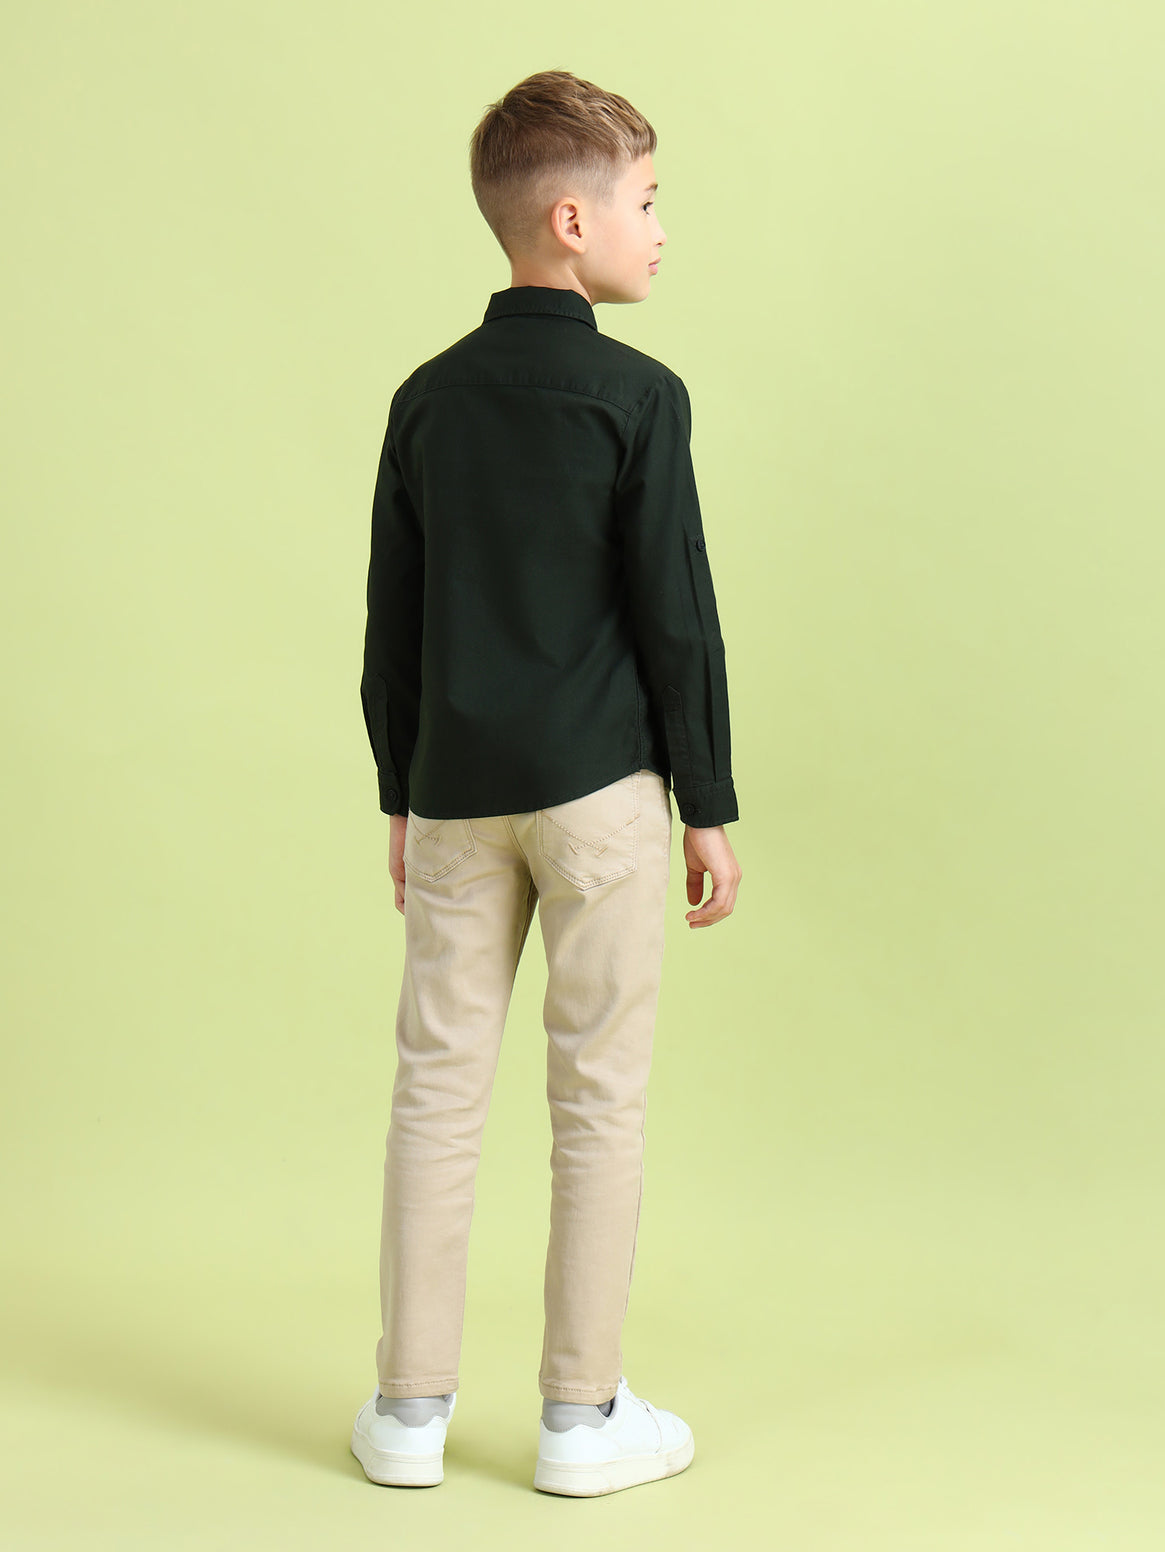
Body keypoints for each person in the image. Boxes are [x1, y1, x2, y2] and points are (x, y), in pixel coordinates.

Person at [349, 68, 742, 1498]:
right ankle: (580, 1420)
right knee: (600, 1100)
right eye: (648, 200)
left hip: (456, 794)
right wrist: (708, 802)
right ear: (573, 222)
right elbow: (675, 615)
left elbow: (394, 618)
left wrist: (401, 792)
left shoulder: (426, 401)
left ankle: (408, 1412)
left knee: (435, 1095)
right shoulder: (640, 398)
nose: (662, 228)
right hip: (601, 799)